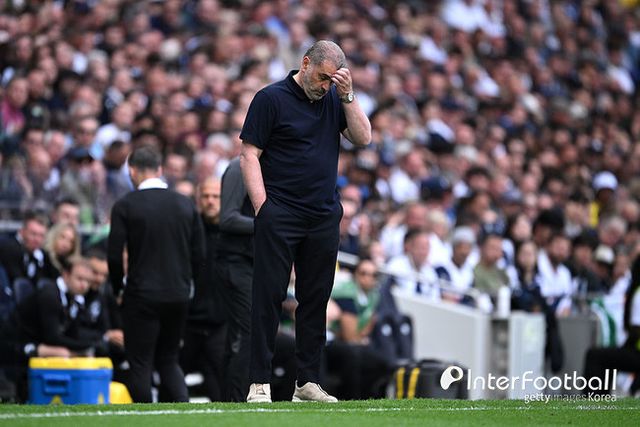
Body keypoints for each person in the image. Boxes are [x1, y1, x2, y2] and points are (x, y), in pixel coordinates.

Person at [240, 40, 371, 403]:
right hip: (280, 213)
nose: (325, 85)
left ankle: (307, 382)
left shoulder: (335, 98)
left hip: (323, 216)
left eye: (333, 80)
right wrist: (263, 208)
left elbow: (363, 137)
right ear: (306, 63)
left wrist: (347, 95)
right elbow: (249, 154)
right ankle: (259, 383)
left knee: (315, 300)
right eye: (322, 77)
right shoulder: (271, 98)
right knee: (268, 297)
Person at [107, 145, 205, 403]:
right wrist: (187, 285)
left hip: (141, 294)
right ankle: (184, 411)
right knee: (169, 359)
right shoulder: (185, 204)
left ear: (132, 171)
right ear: (160, 170)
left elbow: (114, 255)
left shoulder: (125, 205)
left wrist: (118, 288)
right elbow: (199, 254)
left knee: (140, 362)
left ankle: (143, 416)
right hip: (178, 295)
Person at [180, 177, 227, 402]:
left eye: (216, 196)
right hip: (188, 321)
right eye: (206, 196)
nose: (210, 201)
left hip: (221, 322)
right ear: (198, 199)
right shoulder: (188, 230)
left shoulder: (235, 232)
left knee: (222, 387)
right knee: (174, 383)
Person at [216, 158, 254, 402]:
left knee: (246, 334)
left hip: (254, 263)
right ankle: (236, 399)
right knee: (245, 333)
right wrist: (271, 224)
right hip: (237, 263)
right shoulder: (239, 168)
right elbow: (228, 218)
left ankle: (235, 398)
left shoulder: (266, 166)